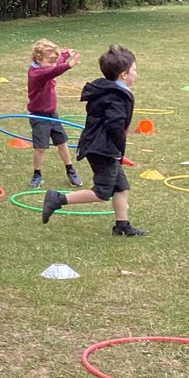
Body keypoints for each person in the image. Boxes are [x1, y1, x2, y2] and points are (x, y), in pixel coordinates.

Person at [42, 46, 146, 236]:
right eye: (134, 70)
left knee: (121, 187)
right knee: (102, 192)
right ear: (124, 75)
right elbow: (115, 125)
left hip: (100, 145)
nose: (136, 74)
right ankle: (57, 199)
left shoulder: (106, 89)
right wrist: (120, 148)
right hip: (103, 149)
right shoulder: (117, 96)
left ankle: (122, 225)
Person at [26, 39, 83, 189]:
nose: (53, 63)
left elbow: (54, 66)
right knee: (40, 148)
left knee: (62, 142)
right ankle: (37, 174)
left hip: (52, 114)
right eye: (50, 60)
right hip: (38, 116)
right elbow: (53, 70)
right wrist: (69, 64)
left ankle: (70, 170)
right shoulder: (36, 74)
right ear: (38, 59)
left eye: (54, 61)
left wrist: (64, 56)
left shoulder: (46, 67)